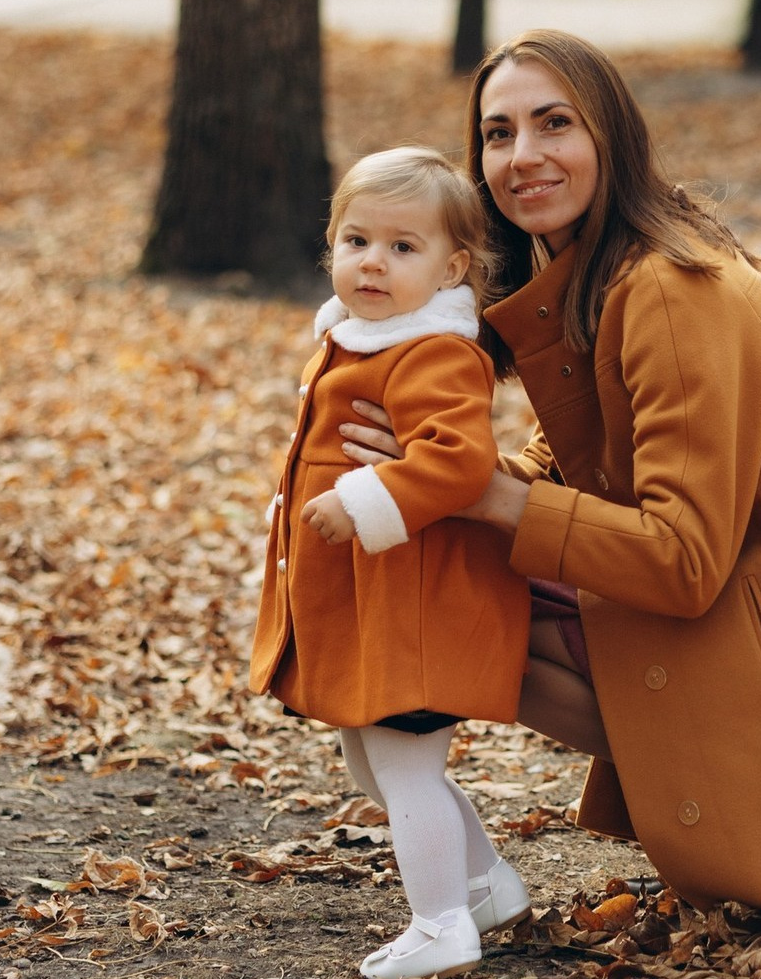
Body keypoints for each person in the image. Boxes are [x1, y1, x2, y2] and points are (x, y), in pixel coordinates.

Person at [338, 31, 761, 956]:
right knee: (448, 577)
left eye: (555, 124)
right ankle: (473, 878)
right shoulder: (601, 276)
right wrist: (437, 474)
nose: (523, 155)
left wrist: (482, 499)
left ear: (612, 136)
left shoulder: (670, 289)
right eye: (498, 134)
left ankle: (472, 882)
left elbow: (681, 559)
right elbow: (569, 461)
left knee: (457, 604)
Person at [249, 146, 532, 979]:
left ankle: (441, 925)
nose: (373, 262)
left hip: (415, 602)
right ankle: (485, 885)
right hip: (367, 597)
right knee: (374, 763)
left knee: (407, 768)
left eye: (403, 247)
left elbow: (459, 461)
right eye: (357, 241)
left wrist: (366, 499)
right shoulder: (356, 340)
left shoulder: (434, 351)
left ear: (452, 268)